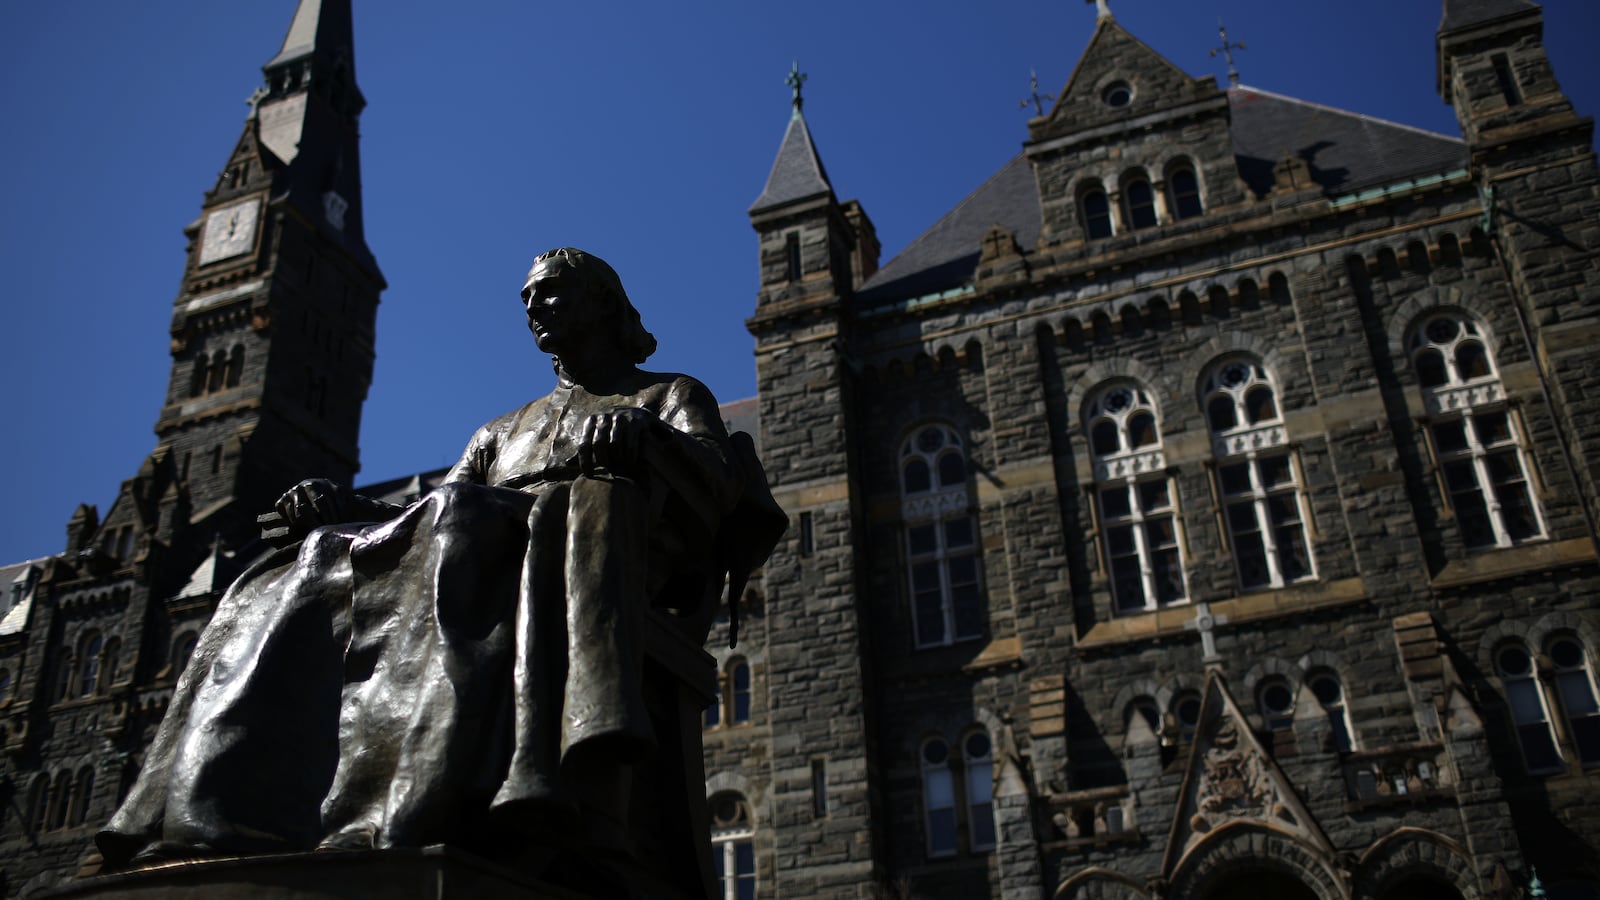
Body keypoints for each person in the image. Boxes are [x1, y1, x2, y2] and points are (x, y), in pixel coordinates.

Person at [97, 248, 781, 873]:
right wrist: (341, 508)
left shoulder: (667, 395)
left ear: (603, 303)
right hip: (480, 554)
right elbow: (418, 520)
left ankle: (403, 809)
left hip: (584, 557)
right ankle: (212, 811)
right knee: (298, 563)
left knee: (466, 517)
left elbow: (723, 480)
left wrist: (648, 439)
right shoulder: (500, 431)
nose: (535, 307)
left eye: (551, 292)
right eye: (527, 299)